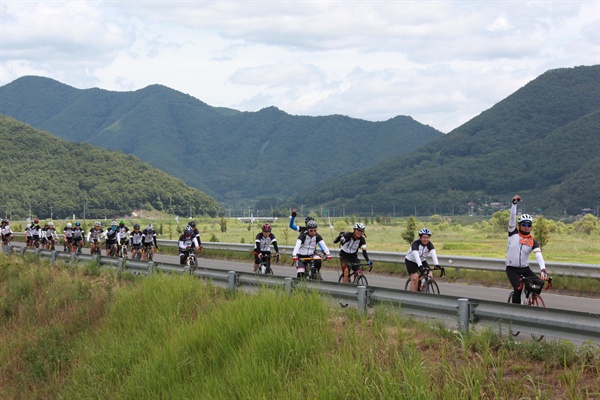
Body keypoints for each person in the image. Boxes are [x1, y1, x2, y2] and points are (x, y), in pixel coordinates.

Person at [506, 195, 548, 304]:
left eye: (529, 225)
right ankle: (515, 310)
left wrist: (543, 269)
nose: (526, 227)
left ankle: (529, 298)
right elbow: (512, 218)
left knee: (538, 283)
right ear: (519, 225)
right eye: (524, 224)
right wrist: (514, 204)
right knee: (518, 288)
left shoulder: (532, 241)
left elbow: (538, 255)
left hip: (525, 269)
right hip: (512, 269)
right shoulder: (513, 233)